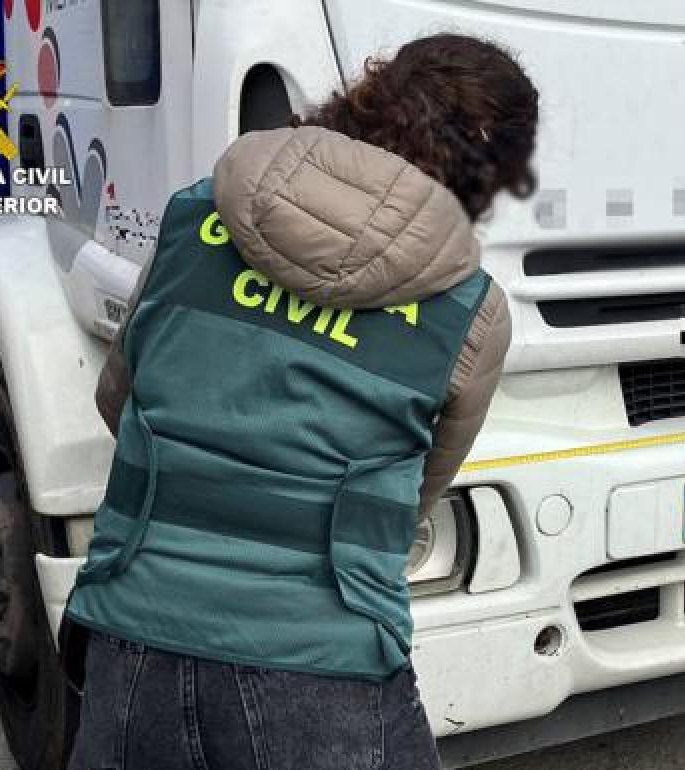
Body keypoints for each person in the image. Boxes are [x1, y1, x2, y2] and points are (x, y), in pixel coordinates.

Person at [62, 33, 539, 770]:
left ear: (371, 99)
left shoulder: (194, 218)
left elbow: (118, 401)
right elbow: (412, 496)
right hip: (323, 671)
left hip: (130, 640)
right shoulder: (469, 312)